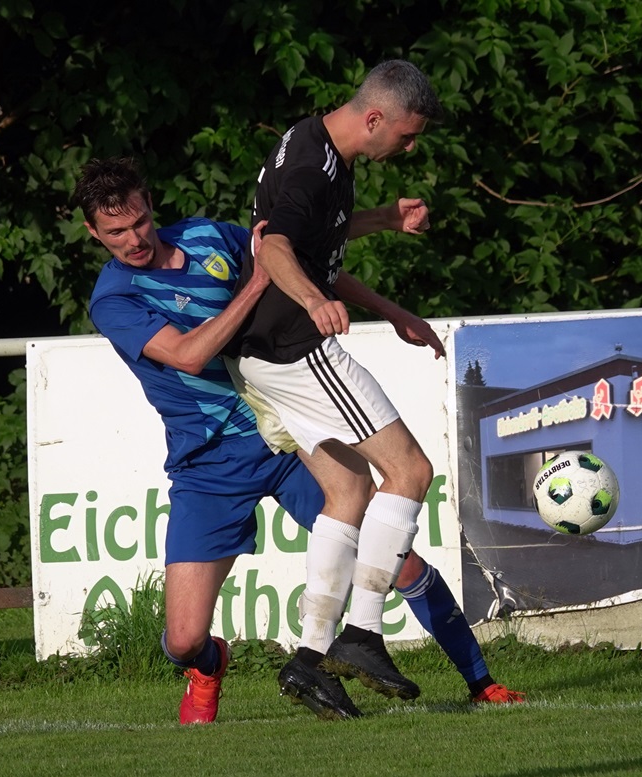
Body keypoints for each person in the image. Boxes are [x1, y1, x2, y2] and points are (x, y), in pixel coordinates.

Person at [76, 157, 522, 725]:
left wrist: (392, 304)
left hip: (289, 434)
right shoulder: (114, 297)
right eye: (116, 231)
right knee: (184, 639)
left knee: (399, 561)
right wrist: (258, 283)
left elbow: (299, 258)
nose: (134, 239)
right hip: (209, 460)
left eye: (139, 221)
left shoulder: (208, 237)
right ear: (93, 232)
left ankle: (481, 683)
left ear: (149, 206)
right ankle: (209, 666)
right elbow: (189, 355)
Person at [229, 60, 523, 718]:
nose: (410, 148)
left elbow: (316, 236)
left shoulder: (318, 145)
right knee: (410, 472)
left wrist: (386, 236)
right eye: (408, 136)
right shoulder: (314, 167)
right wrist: (313, 299)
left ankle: (309, 660)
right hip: (294, 345)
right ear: (374, 118)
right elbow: (275, 248)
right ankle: (361, 636)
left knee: (349, 491)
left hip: (261, 355)